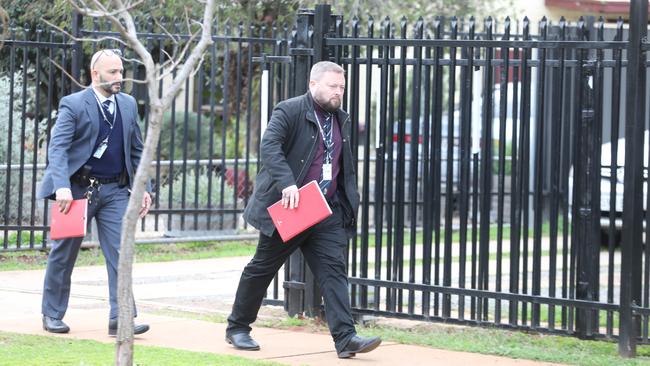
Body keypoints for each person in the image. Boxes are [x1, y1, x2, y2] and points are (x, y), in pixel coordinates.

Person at [225, 61, 381, 359]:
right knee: (263, 268)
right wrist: (287, 184)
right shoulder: (290, 110)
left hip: (326, 210)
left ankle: (346, 338)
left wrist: (349, 202)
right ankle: (238, 327)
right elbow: (270, 146)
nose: (338, 92)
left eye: (342, 87)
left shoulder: (339, 118)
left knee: (334, 271)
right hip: (293, 206)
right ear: (313, 85)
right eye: (332, 86)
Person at [39, 49, 152, 336]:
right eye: (113, 72)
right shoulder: (73, 104)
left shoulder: (127, 104)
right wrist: (61, 185)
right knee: (64, 254)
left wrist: (143, 188)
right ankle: (52, 314)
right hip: (76, 190)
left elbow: (138, 151)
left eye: (121, 71)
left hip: (115, 190)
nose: (119, 77)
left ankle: (121, 317)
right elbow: (59, 148)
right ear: (95, 74)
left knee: (120, 253)